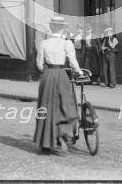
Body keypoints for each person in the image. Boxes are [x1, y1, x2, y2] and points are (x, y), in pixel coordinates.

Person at [34, 16, 83, 154]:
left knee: (45, 106)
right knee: (66, 104)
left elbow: (39, 64)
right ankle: (62, 133)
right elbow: (73, 62)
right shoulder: (67, 43)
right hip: (61, 74)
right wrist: (79, 72)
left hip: (48, 75)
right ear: (62, 28)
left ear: (51, 28)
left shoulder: (43, 43)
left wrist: (46, 72)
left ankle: (45, 142)